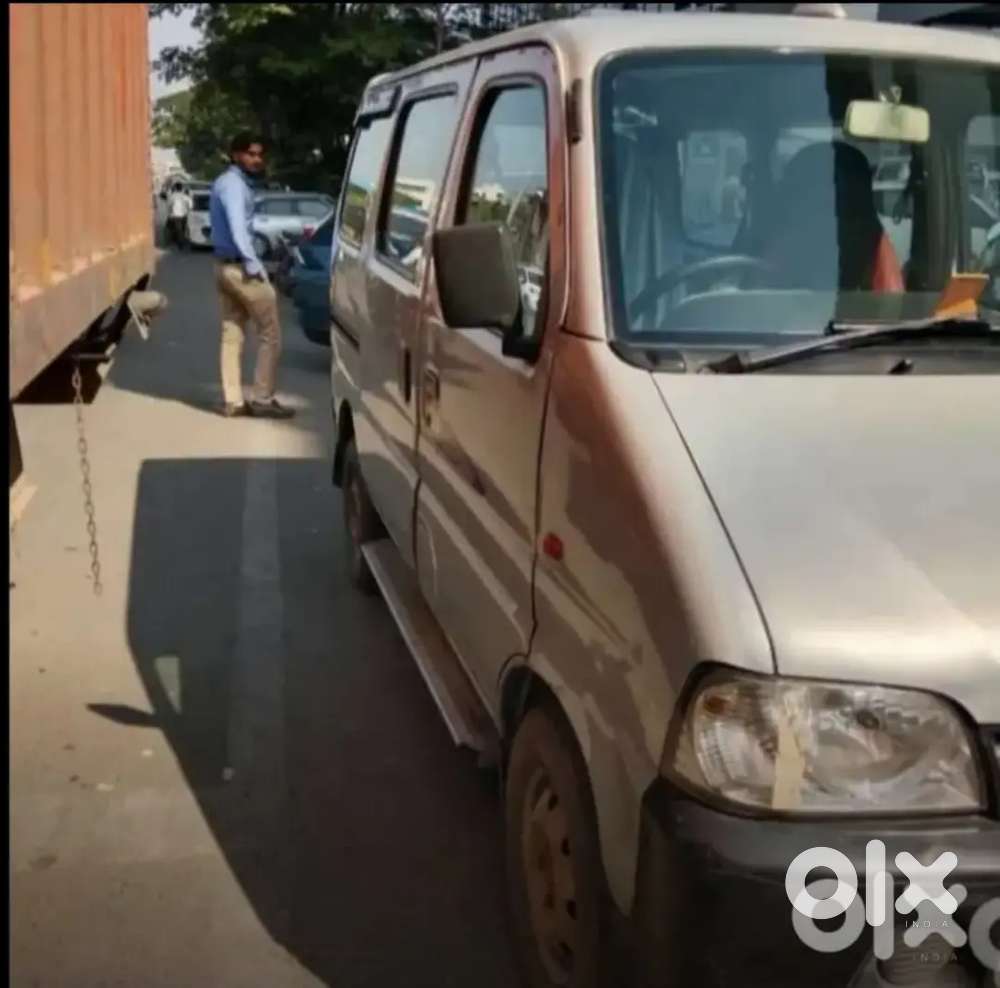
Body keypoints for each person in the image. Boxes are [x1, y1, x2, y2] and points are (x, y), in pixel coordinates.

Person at [209, 132, 294, 419]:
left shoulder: (225, 182)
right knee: (270, 333)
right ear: (235, 155)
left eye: (259, 154)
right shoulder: (234, 186)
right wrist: (254, 265)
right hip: (241, 268)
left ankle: (233, 401)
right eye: (250, 154)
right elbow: (237, 227)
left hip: (222, 266)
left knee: (232, 332)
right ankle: (262, 398)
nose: (257, 159)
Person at [166, 183, 192, 250]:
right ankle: (181, 243)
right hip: (184, 215)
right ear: (182, 188)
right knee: (182, 229)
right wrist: (188, 210)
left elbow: (169, 206)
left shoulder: (172, 196)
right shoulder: (185, 196)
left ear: (175, 188)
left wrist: (169, 214)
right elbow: (190, 205)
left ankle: (180, 243)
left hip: (175, 215)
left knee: (179, 230)